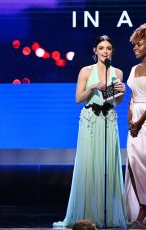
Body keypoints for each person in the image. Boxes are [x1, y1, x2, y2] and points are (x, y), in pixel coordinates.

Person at [53, 35, 126, 228]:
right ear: (95, 50)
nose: (105, 51)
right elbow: (79, 98)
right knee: (89, 164)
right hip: (90, 121)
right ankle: (87, 215)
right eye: (101, 48)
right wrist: (94, 86)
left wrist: (122, 93)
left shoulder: (117, 72)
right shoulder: (86, 71)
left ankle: (107, 214)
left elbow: (113, 101)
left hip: (108, 120)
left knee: (107, 166)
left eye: (109, 48)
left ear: (112, 51)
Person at [125, 23, 146, 228]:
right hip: (135, 122)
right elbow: (132, 98)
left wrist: (140, 122)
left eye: (139, 44)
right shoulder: (134, 69)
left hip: (145, 120)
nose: (135, 48)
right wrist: (130, 120)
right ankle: (141, 205)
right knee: (134, 160)